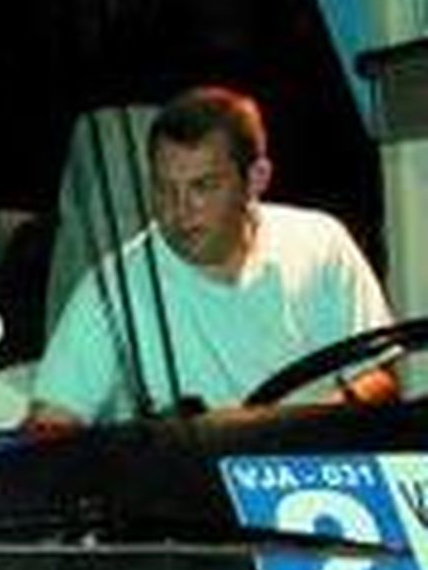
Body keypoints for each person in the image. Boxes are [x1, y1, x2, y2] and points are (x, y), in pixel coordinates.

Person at [28, 85, 397, 427]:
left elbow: (378, 379)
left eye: (202, 187)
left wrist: (286, 429)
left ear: (256, 179)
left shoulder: (322, 243)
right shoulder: (112, 289)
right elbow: (51, 424)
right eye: (163, 188)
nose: (179, 210)